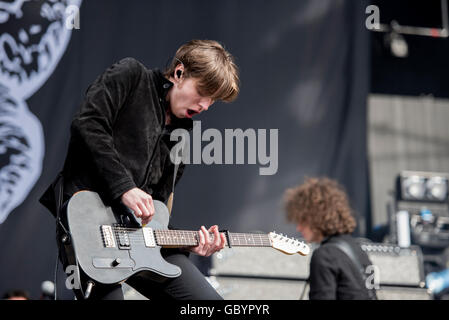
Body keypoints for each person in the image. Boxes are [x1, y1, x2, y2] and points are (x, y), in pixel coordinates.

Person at [39, 39, 239, 300]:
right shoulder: (132, 75)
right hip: (90, 228)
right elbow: (88, 124)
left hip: (141, 241)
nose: (204, 106)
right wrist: (125, 188)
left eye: (212, 101)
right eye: (203, 93)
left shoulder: (183, 135)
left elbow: (157, 210)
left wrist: (189, 242)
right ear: (179, 73)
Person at [283, 177, 377, 300]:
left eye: (302, 220)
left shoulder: (324, 255)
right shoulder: (357, 249)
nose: (299, 228)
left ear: (316, 217)